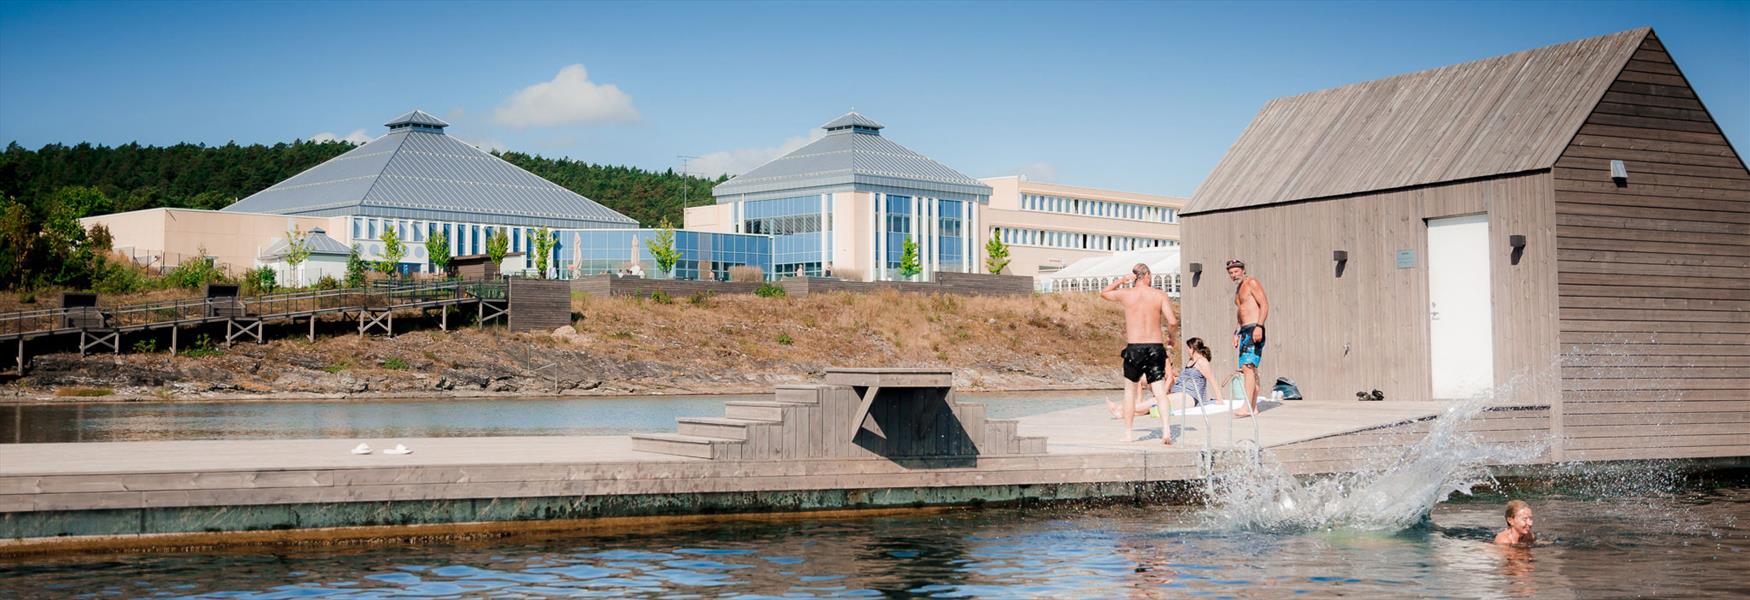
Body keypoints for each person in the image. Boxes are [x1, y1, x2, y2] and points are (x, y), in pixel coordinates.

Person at [1100, 263, 1178, 443]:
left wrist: (1121, 280)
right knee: (1159, 391)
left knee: (1130, 392)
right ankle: (1166, 430)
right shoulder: (1159, 295)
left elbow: (1103, 293)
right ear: (1148, 275)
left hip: (1134, 348)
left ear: (1134, 277)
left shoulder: (1126, 294)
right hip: (1155, 346)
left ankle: (1128, 434)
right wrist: (1171, 338)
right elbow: (1172, 321)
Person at [1227, 259, 1269, 418]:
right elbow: (1240, 313)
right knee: (1250, 369)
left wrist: (1259, 326)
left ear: (1243, 270)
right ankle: (1253, 406)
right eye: (1231, 272)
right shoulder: (1238, 289)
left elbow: (1264, 304)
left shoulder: (1251, 282)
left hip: (1254, 328)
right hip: (1244, 330)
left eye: (1236, 271)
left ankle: (1246, 406)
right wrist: (1236, 333)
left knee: (1248, 367)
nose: (1233, 275)